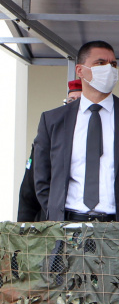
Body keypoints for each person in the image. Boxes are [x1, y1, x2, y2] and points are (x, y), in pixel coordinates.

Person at [32, 41, 119, 222]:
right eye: (100, 63)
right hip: (69, 225)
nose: (109, 69)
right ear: (80, 70)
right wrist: (56, 213)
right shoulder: (53, 120)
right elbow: (42, 178)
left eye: (113, 64)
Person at [18, 80, 84, 222]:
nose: (74, 105)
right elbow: (28, 191)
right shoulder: (49, 138)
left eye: (79, 100)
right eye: (70, 100)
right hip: (52, 223)